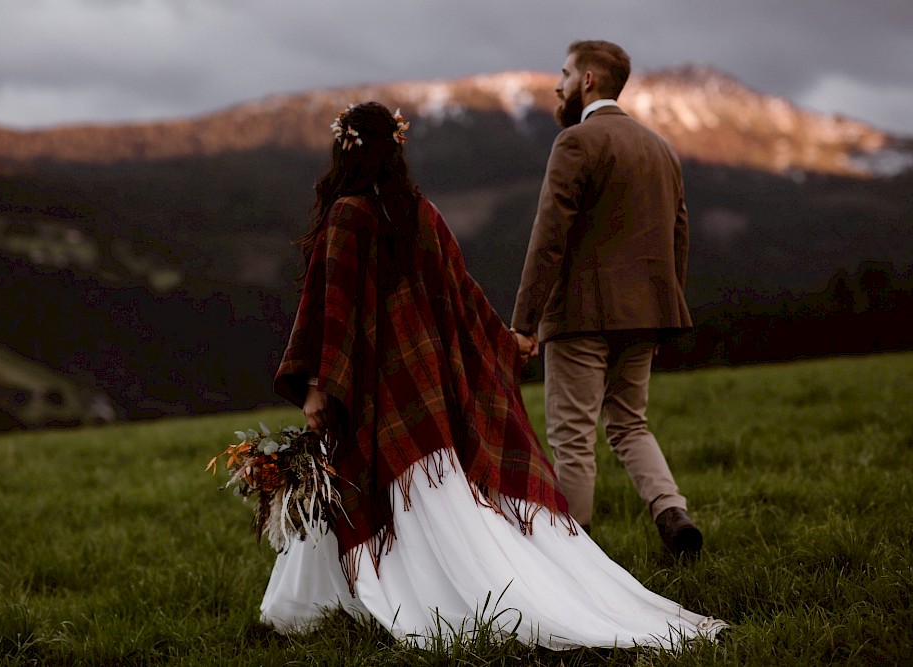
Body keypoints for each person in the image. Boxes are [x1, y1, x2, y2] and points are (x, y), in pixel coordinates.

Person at [262, 101, 725, 649]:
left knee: (372, 488)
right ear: (398, 149)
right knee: (426, 498)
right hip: (427, 381)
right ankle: (368, 596)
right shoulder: (422, 212)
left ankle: (386, 599)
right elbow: (466, 296)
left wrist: (317, 386)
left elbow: (331, 312)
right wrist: (507, 342)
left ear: (344, 148)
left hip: (371, 382)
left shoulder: (346, 215)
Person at [511, 40, 702, 556]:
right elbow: (677, 237)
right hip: (647, 315)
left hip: (580, 317)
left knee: (573, 438)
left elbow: (548, 237)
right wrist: (665, 313)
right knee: (629, 422)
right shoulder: (661, 148)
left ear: (588, 81)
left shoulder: (576, 143)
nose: (558, 83)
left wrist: (525, 323)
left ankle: (576, 557)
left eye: (566, 72)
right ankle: (671, 511)